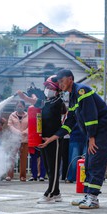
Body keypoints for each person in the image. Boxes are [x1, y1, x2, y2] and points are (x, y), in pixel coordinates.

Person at [39, 69, 107, 209]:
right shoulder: (73, 96)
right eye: (59, 82)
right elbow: (70, 122)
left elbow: (91, 116)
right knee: (88, 162)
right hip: (94, 131)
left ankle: (93, 198)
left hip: (102, 129)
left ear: (70, 79)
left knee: (96, 160)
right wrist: (53, 137)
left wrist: (92, 137)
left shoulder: (82, 91)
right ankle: (88, 195)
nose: (60, 84)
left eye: (62, 81)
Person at [18, 75, 67, 203]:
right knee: (48, 166)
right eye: (46, 87)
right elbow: (39, 103)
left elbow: (43, 104)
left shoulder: (58, 102)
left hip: (54, 139)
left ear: (56, 89)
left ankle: (49, 193)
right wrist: (25, 98)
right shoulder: (48, 101)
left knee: (53, 167)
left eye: (49, 87)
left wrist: (29, 98)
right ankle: (56, 192)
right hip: (44, 139)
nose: (46, 89)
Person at [6, 100, 28, 181]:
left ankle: (23, 176)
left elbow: (31, 126)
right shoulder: (12, 116)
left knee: (23, 159)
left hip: (24, 140)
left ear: (24, 107)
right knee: (11, 158)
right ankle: (9, 175)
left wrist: (24, 132)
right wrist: (16, 132)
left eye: (21, 106)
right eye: (18, 106)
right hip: (14, 140)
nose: (20, 107)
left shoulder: (28, 115)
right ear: (15, 107)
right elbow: (9, 125)